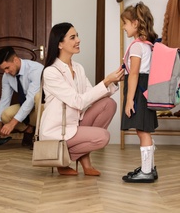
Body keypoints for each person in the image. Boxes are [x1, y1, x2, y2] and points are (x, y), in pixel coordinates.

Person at [40, 22, 124, 176]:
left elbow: (91, 95)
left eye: (77, 36)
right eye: (72, 37)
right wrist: (105, 81)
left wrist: (113, 81)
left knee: (108, 104)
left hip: (75, 122)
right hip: (59, 130)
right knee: (103, 137)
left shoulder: (78, 68)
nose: (78, 40)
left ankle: (81, 161)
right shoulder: (51, 72)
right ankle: (61, 160)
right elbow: (78, 101)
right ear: (59, 44)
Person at [120, 2, 159, 183]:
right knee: (143, 130)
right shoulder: (148, 45)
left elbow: (134, 74)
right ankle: (149, 167)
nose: (123, 27)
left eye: (125, 23)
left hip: (138, 91)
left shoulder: (137, 46)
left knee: (143, 131)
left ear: (135, 24)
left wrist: (129, 101)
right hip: (145, 89)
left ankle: (146, 171)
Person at [0, 46, 44, 148]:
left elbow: (31, 100)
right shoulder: (6, 75)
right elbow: (4, 100)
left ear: (15, 60)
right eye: (3, 69)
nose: (6, 72)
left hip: (41, 108)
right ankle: (29, 130)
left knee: (38, 96)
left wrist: (12, 124)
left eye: (7, 68)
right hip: (27, 107)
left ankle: (42, 136)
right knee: (5, 115)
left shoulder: (36, 69)